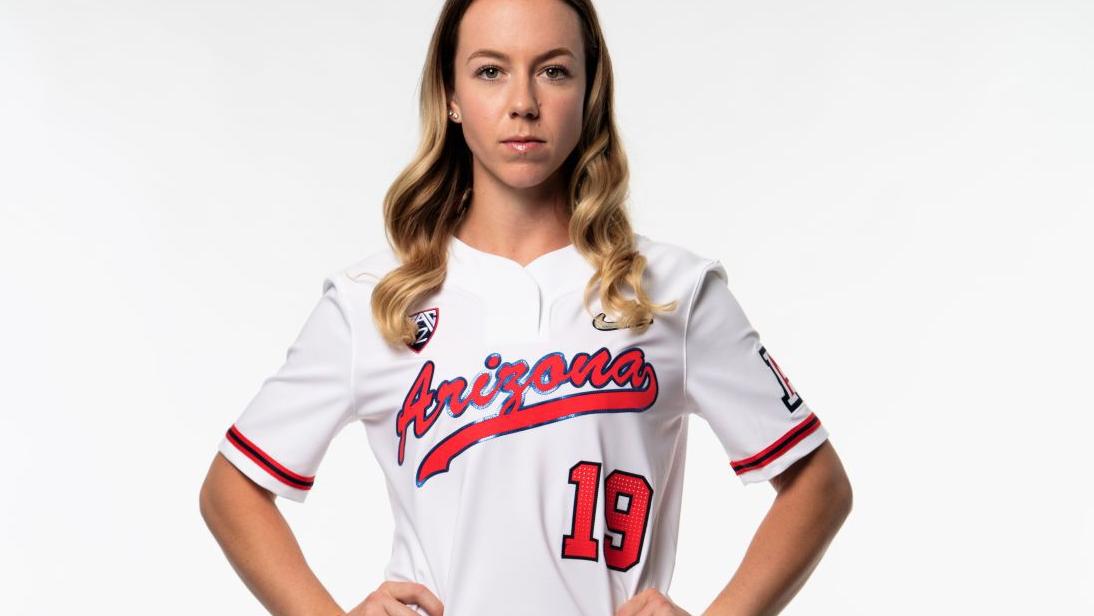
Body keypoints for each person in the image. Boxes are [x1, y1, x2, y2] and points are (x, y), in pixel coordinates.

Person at [198, 0, 853, 614]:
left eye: (554, 71)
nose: (523, 103)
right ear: (451, 96)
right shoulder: (375, 298)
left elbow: (818, 484)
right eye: (491, 71)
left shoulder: (671, 289)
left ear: (588, 94)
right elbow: (231, 489)